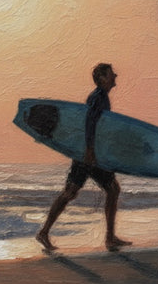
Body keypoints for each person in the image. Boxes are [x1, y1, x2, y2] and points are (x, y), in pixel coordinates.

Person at [35, 62, 132, 252]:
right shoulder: (98, 98)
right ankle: (108, 238)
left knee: (100, 190)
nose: (116, 76)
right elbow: (89, 123)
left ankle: (46, 232)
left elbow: (100, 126)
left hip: (91, 153)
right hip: (89, 155)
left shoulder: (102, 97)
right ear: (102, 78)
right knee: (93, 191)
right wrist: (89, 150)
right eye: (112, 74)